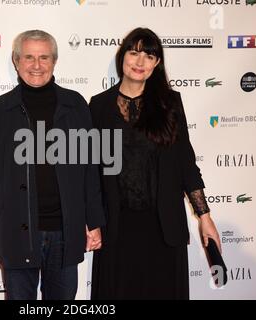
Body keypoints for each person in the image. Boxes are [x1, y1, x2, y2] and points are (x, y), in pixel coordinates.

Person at [0, 30, 105, 300]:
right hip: (17, 231)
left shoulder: (76, 105)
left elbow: (89, 170)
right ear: (16, 61)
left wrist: (93, 220)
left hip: (65, 233)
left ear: (54, 61)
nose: (36, 65)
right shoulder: (0, 111)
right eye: (29, 57)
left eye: (44, 57)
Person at [89, 27, 221, 300]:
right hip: (117, 227)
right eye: (134, 53)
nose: (140, 62)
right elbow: (90, 171)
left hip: (163, 227)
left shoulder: (169, 103)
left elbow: (185, 163)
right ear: (122, 56)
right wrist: (90, 220)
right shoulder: (99, 106)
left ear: (157, 63)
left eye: (149, 56)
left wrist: (204, 217)